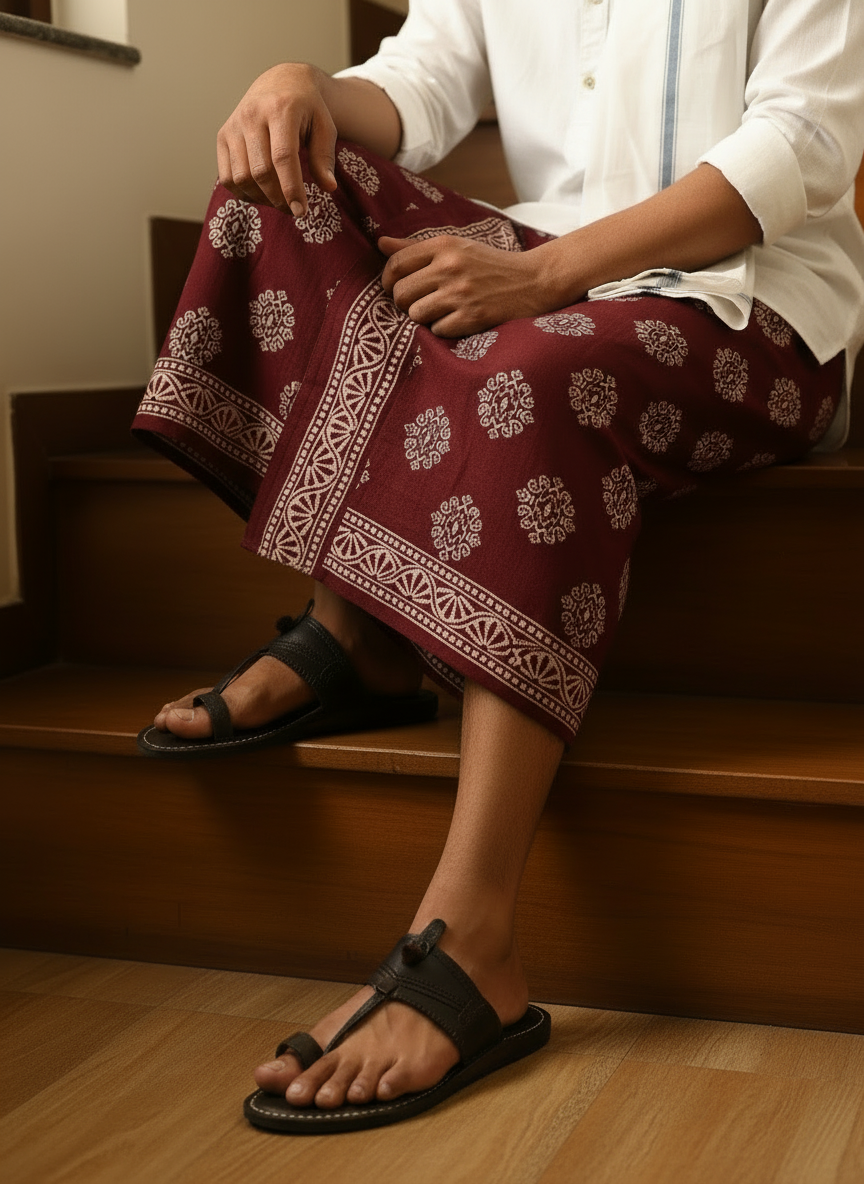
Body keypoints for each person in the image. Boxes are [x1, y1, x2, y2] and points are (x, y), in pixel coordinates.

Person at [133, 0, 864, 1134]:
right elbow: (423, 83)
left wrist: (549, 276)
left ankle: (475, 940)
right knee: (279, 186)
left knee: (520, 377)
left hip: (749, 301)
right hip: (537, 259)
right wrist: (306, 87)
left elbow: (801, 144)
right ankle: (359, 630)